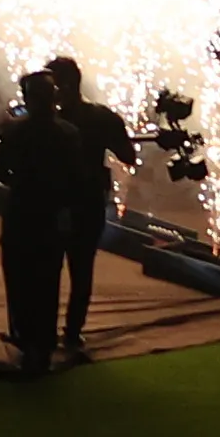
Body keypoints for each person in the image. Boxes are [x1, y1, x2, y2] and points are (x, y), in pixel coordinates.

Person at [0, 68, 98, 373]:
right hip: (51, 217)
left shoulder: (15, 132)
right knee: (48, 280)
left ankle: (24, 337)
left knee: (19, 278)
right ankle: (45, 343)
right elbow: (78, 180)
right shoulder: (68, 134)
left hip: (21, 213)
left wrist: (20, 180)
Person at [47, 55, 141, 358]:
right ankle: (72, 334)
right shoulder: (101, 118)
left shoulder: (43, 120)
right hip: (86, 204)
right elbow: (128, 155)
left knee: (49, 270)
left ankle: (47, 333)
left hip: (54, 203)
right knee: (81, 270)